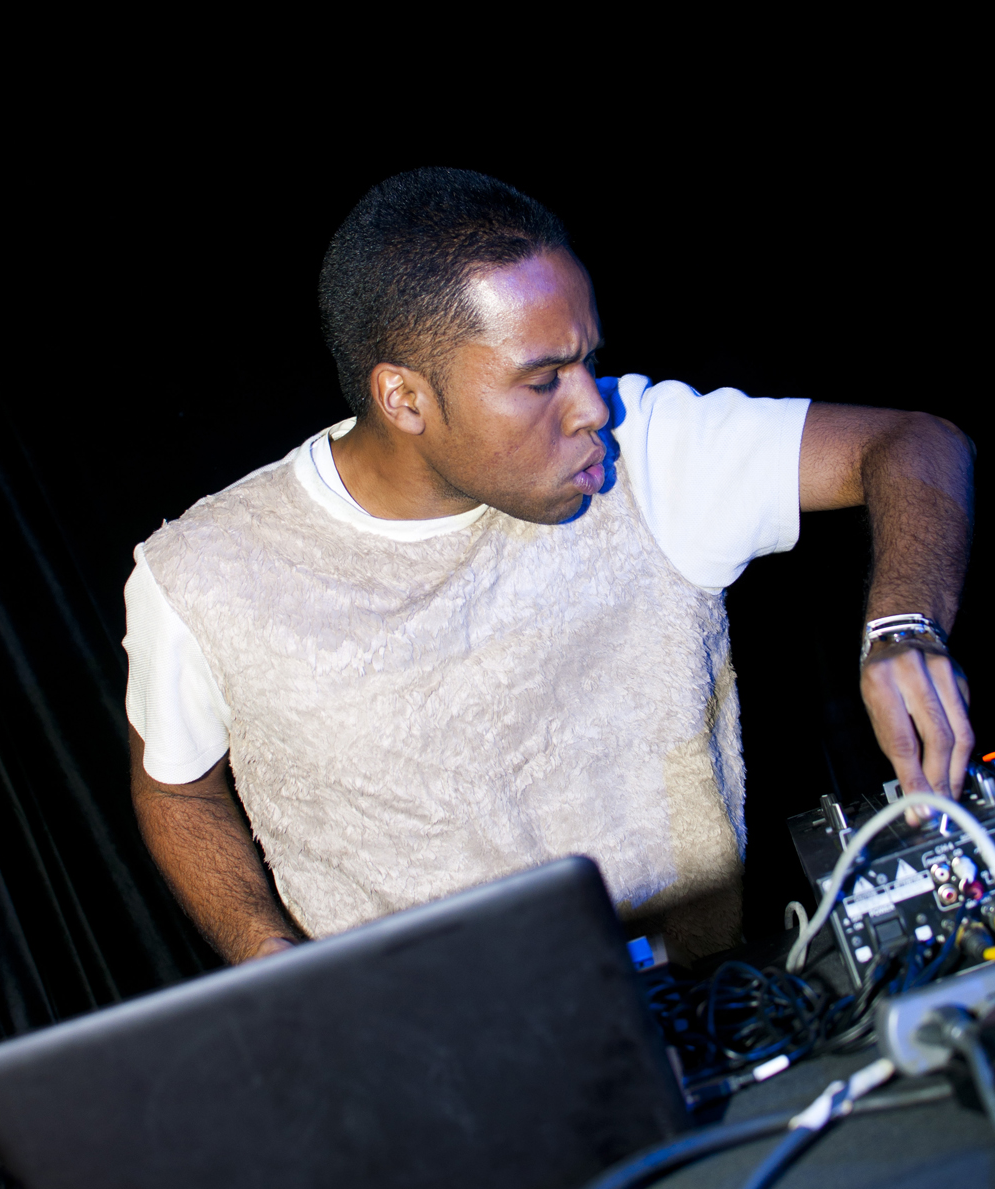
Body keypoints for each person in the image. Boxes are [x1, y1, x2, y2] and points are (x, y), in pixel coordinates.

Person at [123, 168, 974, 968]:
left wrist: (904, 623)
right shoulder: (205, 574)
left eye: (588, 360)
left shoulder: (646, 451)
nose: (592, 405)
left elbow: (916, 444)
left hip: (703, 1007)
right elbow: (177, 791)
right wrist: (271, 963)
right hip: (422, 1052)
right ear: (405, 398)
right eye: (542, 381)